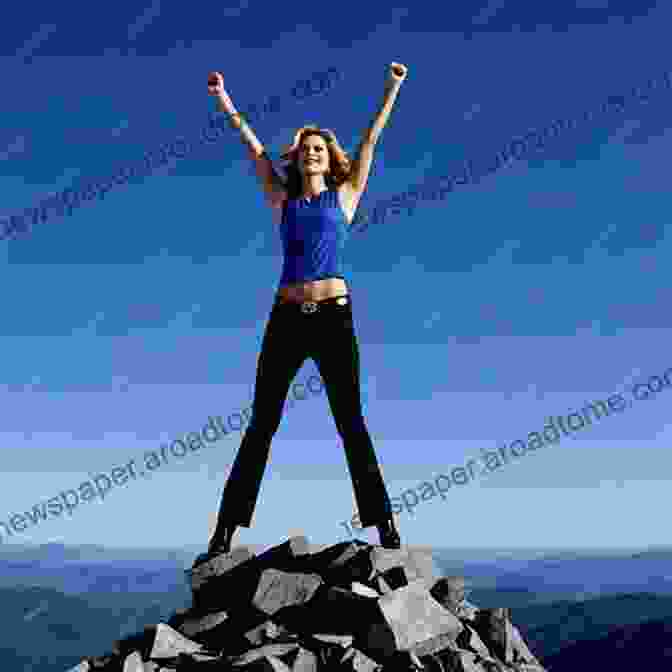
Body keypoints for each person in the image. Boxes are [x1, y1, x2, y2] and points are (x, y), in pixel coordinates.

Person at [203, 62, 409, 557]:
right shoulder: (282, 200)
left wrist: (391, 89)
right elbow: (253, 149)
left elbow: (369, 143)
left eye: (320, 149)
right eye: (306, 150)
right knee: (262, 421)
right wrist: (224, 100)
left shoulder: (346, 195)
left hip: (335, 318)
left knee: (350, 421)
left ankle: (383, 524)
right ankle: (226, 529)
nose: (313, 154)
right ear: (295, 160)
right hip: (286, 321)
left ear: (328, 158)